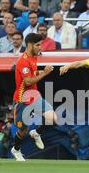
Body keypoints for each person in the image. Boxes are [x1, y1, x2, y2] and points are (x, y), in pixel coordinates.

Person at [10, 33, 57, 161]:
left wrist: (39, 72)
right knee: (22, 130)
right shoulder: (23, 61)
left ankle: (36, 132)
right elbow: (28, 81)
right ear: (30, 45)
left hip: (35, 97)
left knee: (53, 118)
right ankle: (16, 149)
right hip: (23, 100)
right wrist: (45, 73)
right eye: (38, 45)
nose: (40, 47)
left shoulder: (34, 57)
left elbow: (32, 74)